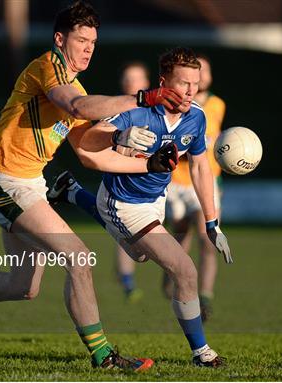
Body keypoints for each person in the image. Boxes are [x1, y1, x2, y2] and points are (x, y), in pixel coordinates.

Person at [0, 1, 182, 371]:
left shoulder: (77, 85)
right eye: (82, 39)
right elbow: (78, 107)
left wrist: (146, 162)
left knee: (23, 287)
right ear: (60, 39)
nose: (89, 48)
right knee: (79, 258)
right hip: (4, 181)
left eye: (93, 42)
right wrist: (141, 98)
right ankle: (103, 356)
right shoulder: (48, 68)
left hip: (29, 185)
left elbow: (91, 154)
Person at [48, 47, 232, 367]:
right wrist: (119, 134)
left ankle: (74, 194)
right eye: (183, 83)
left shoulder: (197, 118)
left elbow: (201, 168)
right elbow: (90, 141)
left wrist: (212, 223)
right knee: (185, 269)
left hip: (155, 200)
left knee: (141, 254)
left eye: (195, 83)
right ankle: (201, 351)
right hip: (123, 203)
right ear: (163, 82)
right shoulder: (137, 112)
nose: (191, 90)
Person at [163, 54, 226, 321]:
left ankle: (206, 297)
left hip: (205, 181)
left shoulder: (217, 105)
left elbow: (215, 144)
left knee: (207, 238)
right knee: (180, 236)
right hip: (176, 181)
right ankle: (170, 274)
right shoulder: (174, 105)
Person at [115, 61, 150, 302]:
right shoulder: (117, 112)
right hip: (122, 185)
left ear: (146, 83)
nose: (130, 83)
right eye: (127, 78)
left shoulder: (158, 112)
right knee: (127, 236)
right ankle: (127, 281)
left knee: (143, 247)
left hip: (153, 186)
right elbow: (109, 148)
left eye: (135, 78)